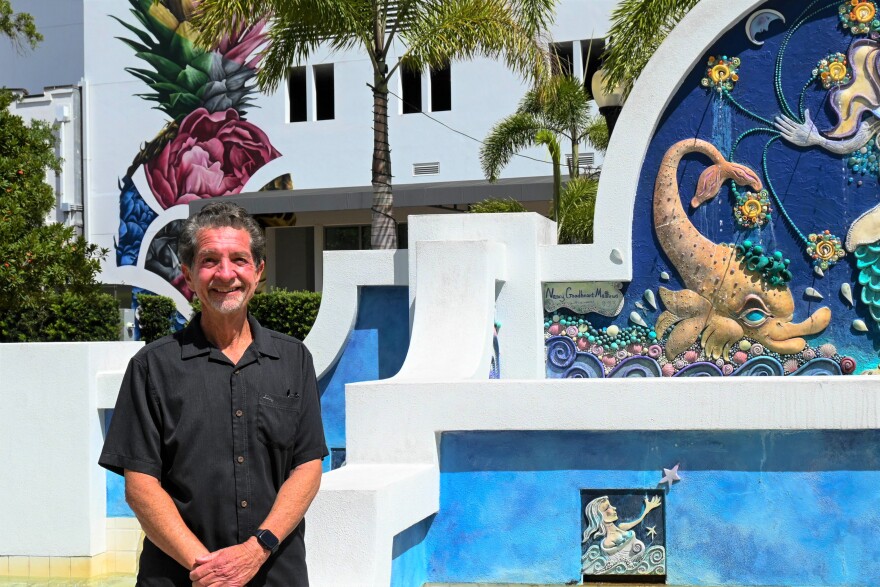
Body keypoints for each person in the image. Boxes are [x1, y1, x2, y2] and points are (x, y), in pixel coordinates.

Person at [99, 201, 328, 586]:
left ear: (258, 270)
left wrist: (256, 550)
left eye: (239, 259)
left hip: (274, 572)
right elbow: (140, 485)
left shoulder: (293, 360)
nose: (226, 273)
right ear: (188, 274)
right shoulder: (152, 367)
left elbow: (307, 468)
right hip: (182, 575)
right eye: (209, 261)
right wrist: (210, 568)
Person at [582, 495, 661, 557]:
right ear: (599, 516)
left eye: (610, 505)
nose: (614, 508)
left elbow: (639, 519)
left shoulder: (621, 527)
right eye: (607, 508)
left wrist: (647, 509)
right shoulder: (608, 541)